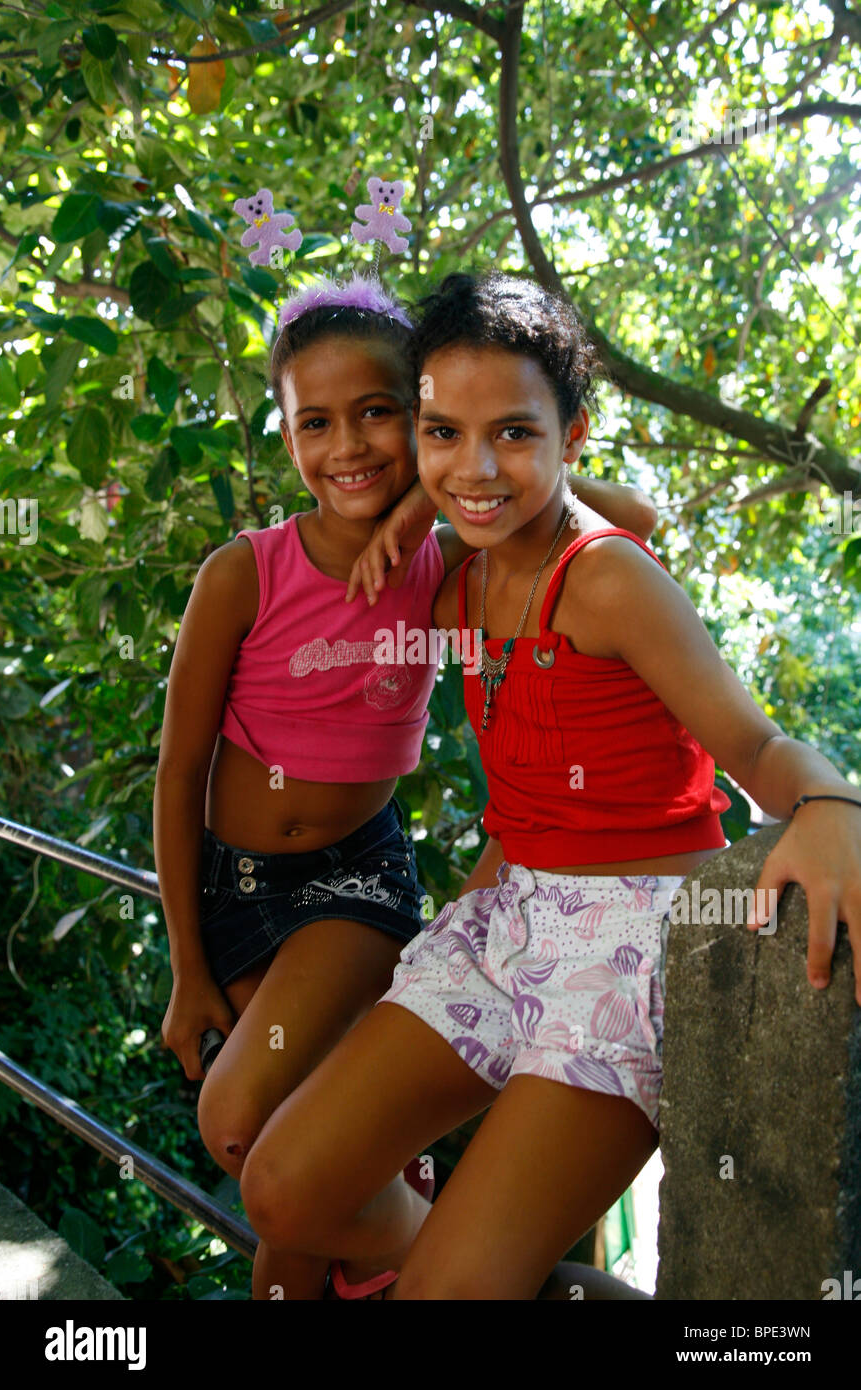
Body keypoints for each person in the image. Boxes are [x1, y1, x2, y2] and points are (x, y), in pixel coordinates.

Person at [238, 270, 861, 1301]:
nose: (474, 465)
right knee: (281, 1190)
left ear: (572, 433)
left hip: (627, 957)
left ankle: (498, 1270)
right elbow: (507, 492)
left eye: (514, 433)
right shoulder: (448, 573)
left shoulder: (607, 580)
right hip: (506, 916)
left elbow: (757, 749)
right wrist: (421, 498)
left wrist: (831, 807)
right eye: (441, 432)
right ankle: (517, 1268)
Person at [153, 271, 659, 1300]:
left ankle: (446, 1250)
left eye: (380, 414)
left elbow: (632, 517)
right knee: (284, 1210)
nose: (349, 446)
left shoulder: (446, 559)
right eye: (316, 422)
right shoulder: (242, 572)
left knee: (239, 1116)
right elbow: (181, 768)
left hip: (353, 884)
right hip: (236, 890)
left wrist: (439, 489)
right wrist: (186, 962)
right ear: (284, 434)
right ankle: (451, 1262)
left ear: (420, 420)